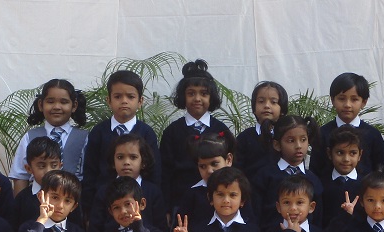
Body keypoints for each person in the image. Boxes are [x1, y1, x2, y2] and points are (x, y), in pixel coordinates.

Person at [160, 60, 232, 212]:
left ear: (211, 97)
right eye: (191, 93)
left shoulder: (221, 130)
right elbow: (165, 174)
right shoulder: (172, 132)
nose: (197, 99)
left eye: (203, 94)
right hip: (180, 203)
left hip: (218, 202)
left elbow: (231, 170)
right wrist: (166, 209)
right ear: (183, 96)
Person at [82, 70, 162, 206]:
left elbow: (154, 171)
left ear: (140, 101)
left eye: (130, 97)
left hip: (139, 202)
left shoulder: (146, 133)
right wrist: (89, 206)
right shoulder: (99, 132)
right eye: (118, 96)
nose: (124, 101)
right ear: (109, 100)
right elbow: (90, 171)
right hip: (105, 201)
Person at [8, 79, 88, 195]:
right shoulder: (29, 137)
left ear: (74, 105)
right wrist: (21, 203)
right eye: (50, 102)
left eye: (64, 102)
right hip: (36, 201)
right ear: (41, 104)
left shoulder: (85, 138)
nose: (57, 107)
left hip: (71, 201)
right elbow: (20, 176)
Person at [86, 132, 167, 232]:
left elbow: (161, 230)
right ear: (113, 162)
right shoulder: (104, 191)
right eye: (120, 157)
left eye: (133, 157)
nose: (126, 162)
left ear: (143, 162)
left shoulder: (153, 192)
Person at [250, 114, 324, 230]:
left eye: (303, 140)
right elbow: (255, 215)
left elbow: (318, 220)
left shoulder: (313, 180)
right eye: (291, 141)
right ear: (277, 145)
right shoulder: (264, 176)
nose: (298, 146)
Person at [309, 72, 384, 178]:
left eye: (354, 99)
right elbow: (314, 172)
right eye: (341, 99)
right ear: (332, 100)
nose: (347, 105)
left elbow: (381, 173)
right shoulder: (322, 134)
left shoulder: (373, 135)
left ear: (364, 102)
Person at [89, 176, 165, 232]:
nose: (123, 211)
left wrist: (140, 229)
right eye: (116, 207)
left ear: (142, 204)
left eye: (128, 204)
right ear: (110, 211)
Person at [234, 81, 288, 179]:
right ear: (254, 108)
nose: (266, 105)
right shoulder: (244, 138)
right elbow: (237, 170)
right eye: (261, 101)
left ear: (282, 110)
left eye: (273, 102)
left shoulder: (286, 136)